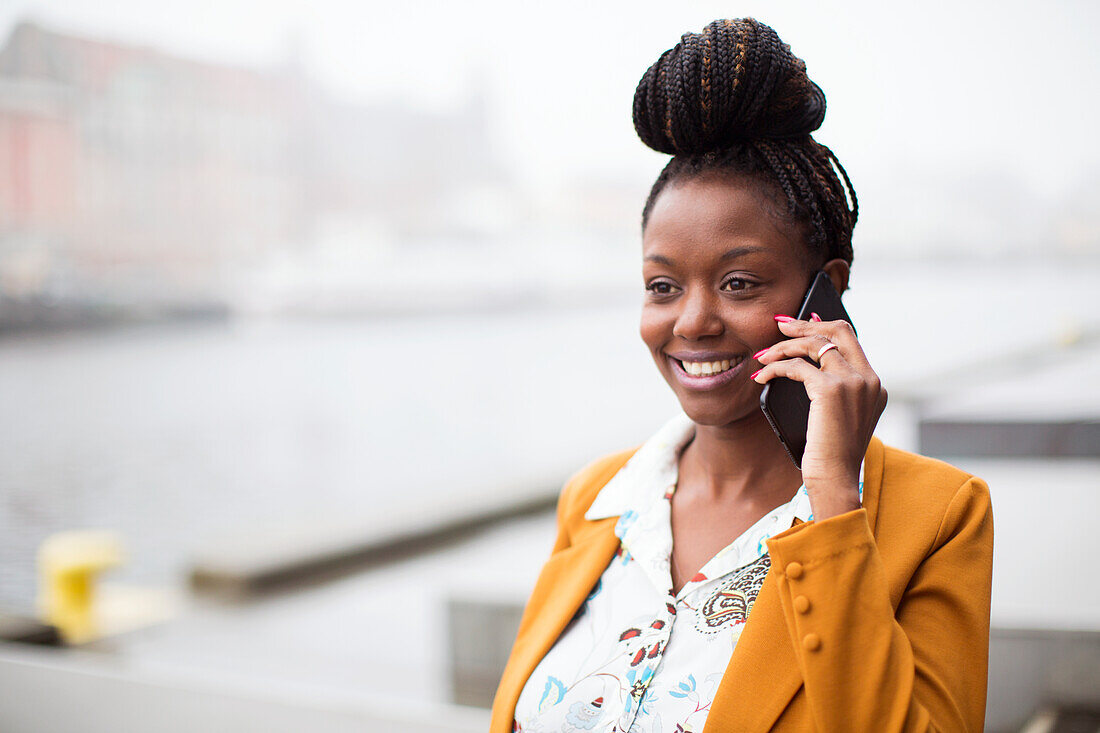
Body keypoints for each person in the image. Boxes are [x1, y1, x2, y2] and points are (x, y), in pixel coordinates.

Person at [491, 17, 993, 733]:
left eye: (738, 283)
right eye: (662, 286)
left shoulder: (937, 516)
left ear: (827, 293)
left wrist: (831, 502)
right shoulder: (597, 500)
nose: (691, 322)